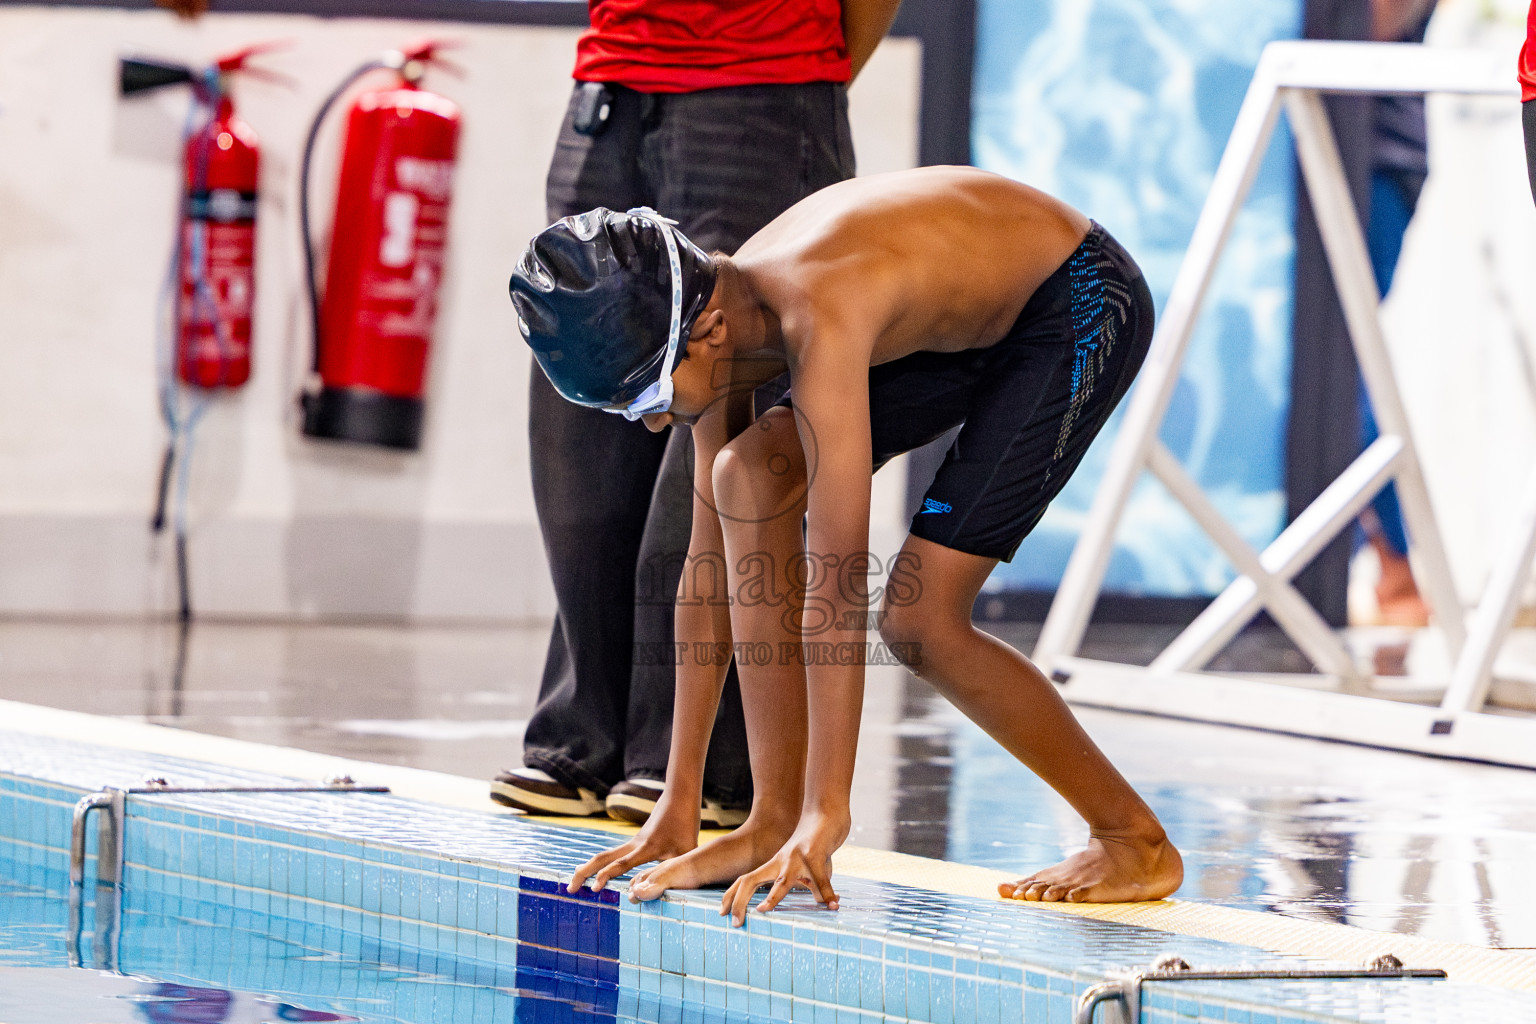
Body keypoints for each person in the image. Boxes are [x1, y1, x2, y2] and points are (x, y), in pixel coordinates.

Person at [509, 166, 1185, 921]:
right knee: (746, 481)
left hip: (1077, 304)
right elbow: (706, 579)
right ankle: (765, 819)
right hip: (963, 321)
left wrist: (828, 811)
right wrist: (679, 795)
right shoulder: (713, 308)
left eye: (648, 398)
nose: (653, 424)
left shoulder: (815, 308)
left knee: (918, 622)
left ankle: (1133, 840)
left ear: (707, 332)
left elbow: (836, 585)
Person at [492, 0, 902, 827]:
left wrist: (797, 79)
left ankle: (690, 760)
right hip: (611, 88)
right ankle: (585, 738)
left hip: (762, 87)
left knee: (716, 424)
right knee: (586, 411)